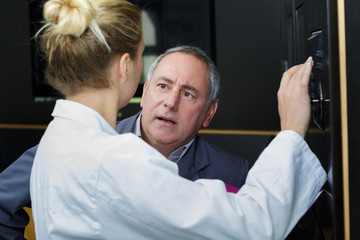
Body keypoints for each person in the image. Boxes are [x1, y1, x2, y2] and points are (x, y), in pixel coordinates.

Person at [12, 0, 326, 239]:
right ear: (126, 67)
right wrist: (292, 129)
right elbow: (254, 223)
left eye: (188, 94)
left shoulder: (61, 135)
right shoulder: (115, 160)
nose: (171, 101)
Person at [0, 48, 248, 239]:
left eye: (187, 94)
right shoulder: (83, 142)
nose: (171, 103)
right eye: (163, 86)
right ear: (146, 92)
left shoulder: (232, 173)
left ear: (209, 112)